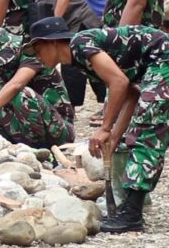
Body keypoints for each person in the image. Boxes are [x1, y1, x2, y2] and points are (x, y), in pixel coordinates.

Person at [26, 16, 169, 233]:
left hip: (163, 60)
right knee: (139, 129)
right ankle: (131, 208)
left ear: (52, 42)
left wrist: (104, 128)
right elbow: (130, 90)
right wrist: (112, 135)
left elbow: (119, 83)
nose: (37, 57)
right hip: (155, 65)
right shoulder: (81, 58)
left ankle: (131, 214)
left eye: (38, 50)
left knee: (146, 132)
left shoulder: (80, 45)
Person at [37, 0, 106, 113]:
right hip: (74, 19)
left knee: (78, 62)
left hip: (81, 18)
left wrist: (47, 38)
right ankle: (77, 105)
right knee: (80, 64)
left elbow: (48, 13)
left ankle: (101, 105)